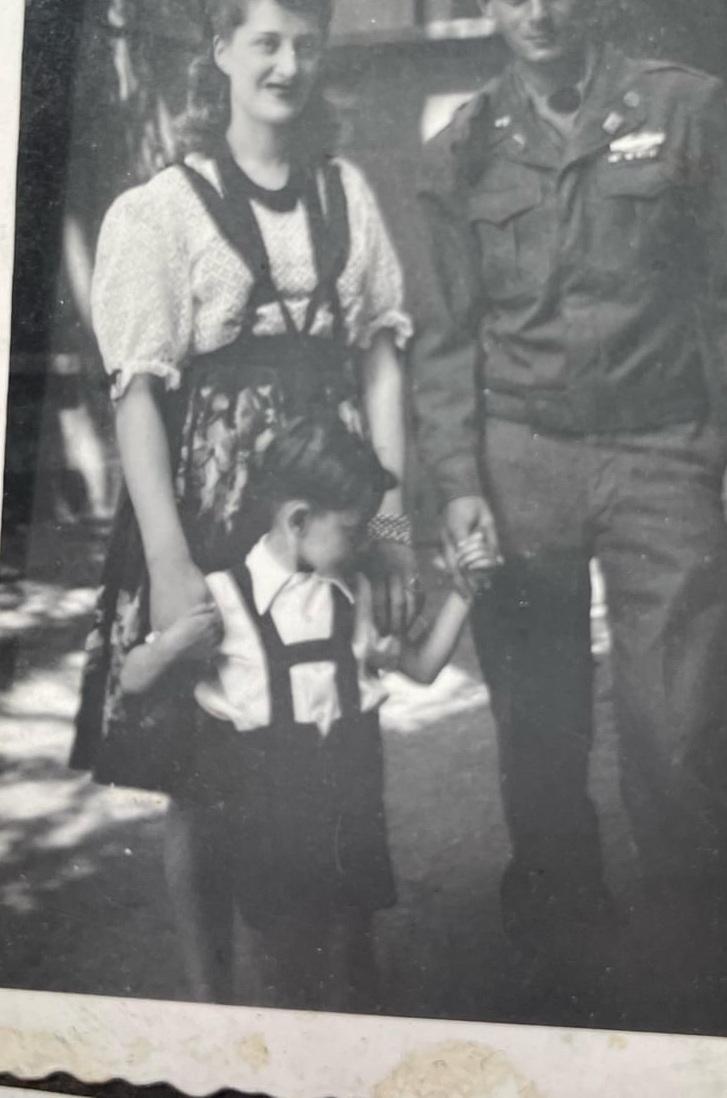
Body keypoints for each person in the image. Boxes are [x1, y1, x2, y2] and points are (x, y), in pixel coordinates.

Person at [411, 0, 727, 1016]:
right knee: (538, 734)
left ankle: (705, 982)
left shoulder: (685, 110)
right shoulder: (461, 151)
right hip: (520, 458)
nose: (537, 13)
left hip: (661, 452)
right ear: (487, 4)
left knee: (677, 730)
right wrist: (459, 483)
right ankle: (565, 966)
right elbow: (445, 340)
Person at [70, 0, 419, 1003]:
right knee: (203, 767)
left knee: (327, 729)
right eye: (266, 41)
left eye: (306, 44)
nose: (287, 65)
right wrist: (169, 562)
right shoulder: (162, 210)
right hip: (207, 512)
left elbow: (382, 357)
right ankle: (211, 1000)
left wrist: (389, 519)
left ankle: (341, 977)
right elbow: (137, 394)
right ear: (221, 50)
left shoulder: (345, 194)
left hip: (325, 507)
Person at [117, 417, 490, 1011]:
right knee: (281, 957)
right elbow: (133, 678)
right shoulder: (226, 598)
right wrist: (172, 644)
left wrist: (463, 595)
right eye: (354, 531)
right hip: (271, 816)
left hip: (350, 807)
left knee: (351, 946)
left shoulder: (352, 593)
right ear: (296, 521)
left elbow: (420, 668)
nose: (364, 543)